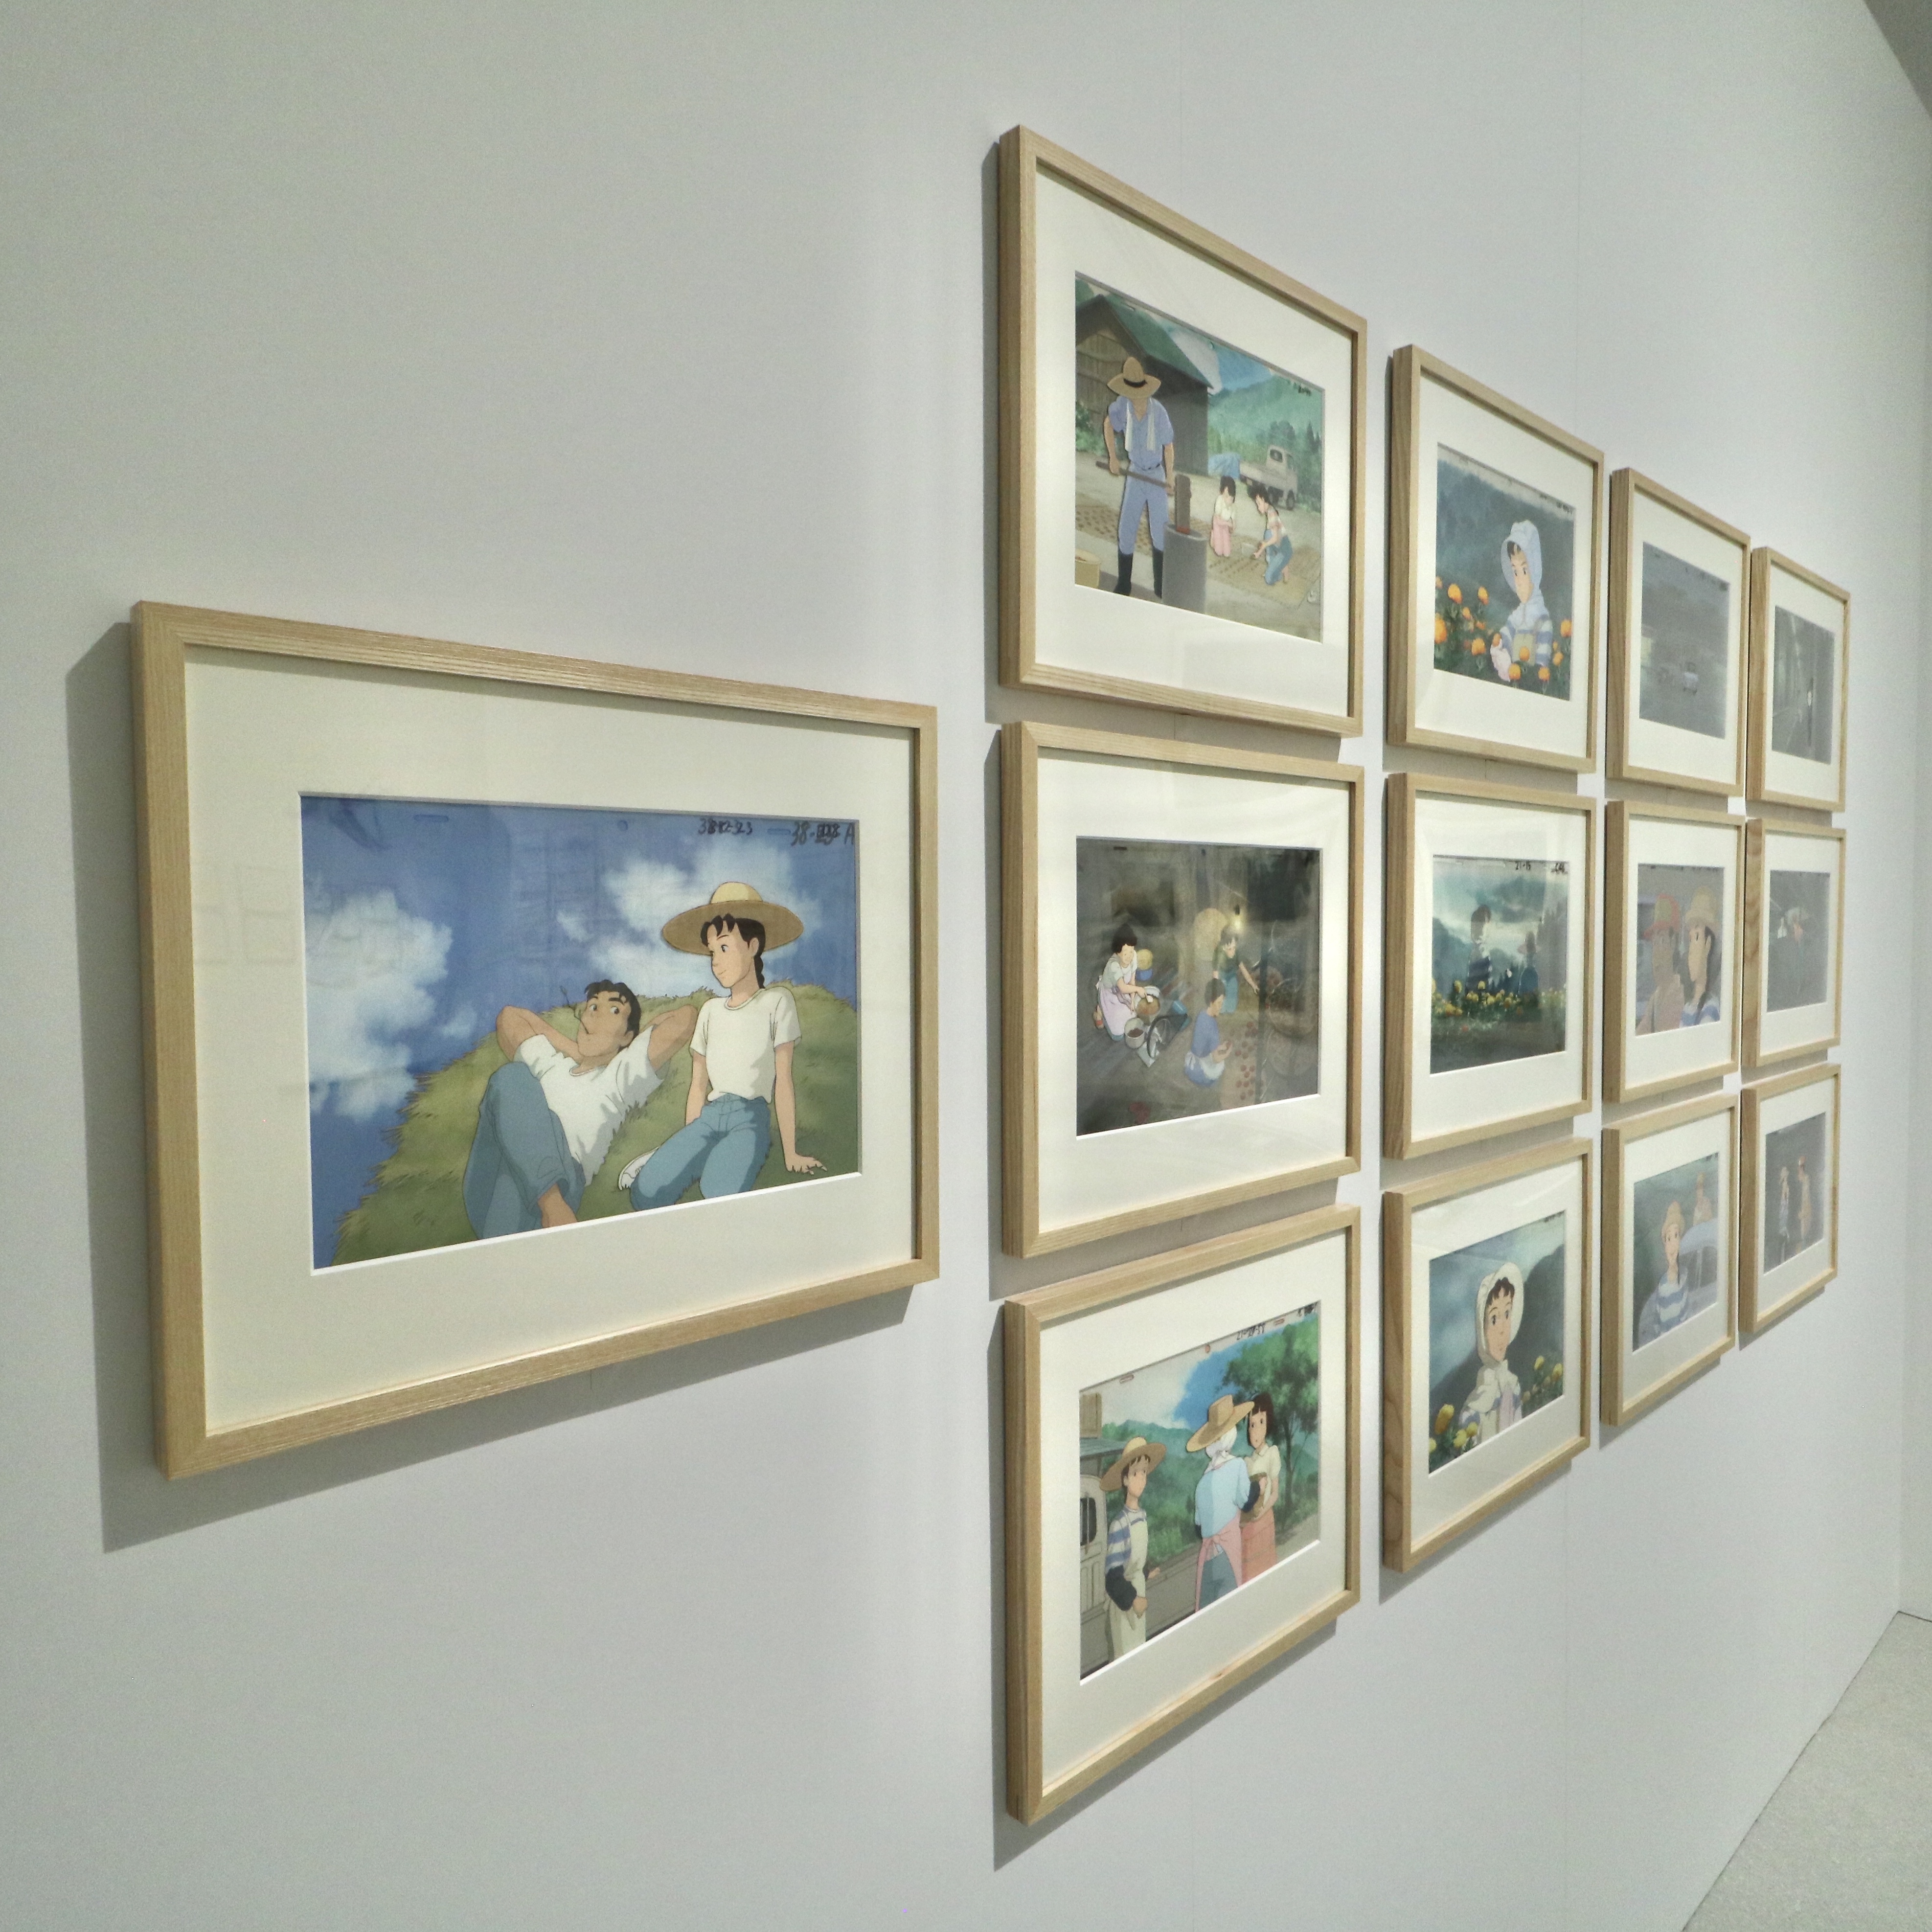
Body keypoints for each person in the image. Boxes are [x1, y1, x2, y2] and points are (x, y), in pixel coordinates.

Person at [618, 883, 823, 1209]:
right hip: (710, 1116)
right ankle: (668, 1156)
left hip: (749, 1118)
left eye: (725, 948)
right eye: (712, 952)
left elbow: (783, 1080)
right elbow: (699, 1084)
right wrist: (688, 1143)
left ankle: (696, 1157)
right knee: (647, 1193)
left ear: (752, 946)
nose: (716, 962)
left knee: (718, 1191)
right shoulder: (710, 1011)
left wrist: (791, 1153)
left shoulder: (776, 1002)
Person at [462, 981, 696, 1239]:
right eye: (593, 1007)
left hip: (560, 1181)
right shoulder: (551, 1064)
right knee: (513, 1076)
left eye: (614, 1010)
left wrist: (620, 1049)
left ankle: (552, 1204)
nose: (597, 1015)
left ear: (627, 1037)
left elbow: (685, 1019)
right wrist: (578, 1051)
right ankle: (551, 1209)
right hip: (496, 1178)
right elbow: (510, 1018)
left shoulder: (620, 1074)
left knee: (522, 1086)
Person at [1103, 357, 1174, 599]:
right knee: (1126, 529)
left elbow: (1168, 447)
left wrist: (1170, 477)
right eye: (1131, 395)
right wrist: (1113, 458)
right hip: (1134, 473)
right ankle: (1124, 584)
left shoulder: (1159, 412)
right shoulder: (1123, 406)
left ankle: (1161, 586)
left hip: (1155, 474)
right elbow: (1108, 425)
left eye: (1138, 395)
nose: (1135, 400)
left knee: (1160, 531)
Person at [1099, 1437, 1165, 1660]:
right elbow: (1113, 1577)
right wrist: (1134, 1599)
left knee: (1140, 1654)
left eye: (1144, 1472)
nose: (1141, 1479)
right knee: (1125, 1656)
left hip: (1139, 1595)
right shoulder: (1120, 1524)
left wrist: (1145, 1574)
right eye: (1136, 1473)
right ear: (1126, 1479)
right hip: (1124, 1605)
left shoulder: (1142, 1517)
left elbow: (1134, 1564)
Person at [1187, 1394, 1254, 1611]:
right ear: (1231, 1434)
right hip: (1227, 1555)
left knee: (1209, 1612)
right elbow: (1245, 1501)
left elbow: (1199, 1527)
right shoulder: (1238, 1466)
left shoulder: (1202, 1483)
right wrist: (1258, 1487)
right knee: (1231, 1610)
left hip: (1207, 1558)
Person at [1636, 1197, 1722, 1347]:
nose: (1673, 1244)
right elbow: (1669, 1332)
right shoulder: (1666, 1286)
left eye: (1676, 1236)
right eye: (1669, 1238)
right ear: (1664, 1243)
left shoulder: (1683, 1274)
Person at [1459, 1264, 1523, 1443]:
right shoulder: (1474, 1410)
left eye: (1507, 1314)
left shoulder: (1513, 1386)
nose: (1503, 1329)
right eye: (1494, 1319)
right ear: (1482, 1329)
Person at [1488, 519, 1556, 687]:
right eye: (1515, 572)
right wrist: (1498, 646)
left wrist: (1520, 673)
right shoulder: (1517, 617)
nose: (1519, 581)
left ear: (1535, 571)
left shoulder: (1543, 621)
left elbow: (1541, 670)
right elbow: (1505, 636)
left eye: (1524, 571)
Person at [1239, 1392, 1283, 1583]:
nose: (1255, 1431)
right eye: (1252, 1425)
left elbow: (1275, 1494)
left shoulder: (1272, 1453)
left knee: (1265, 1568)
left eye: (1261, 1423)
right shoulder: (1246, 1462)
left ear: (1269, 1423)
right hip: (1248, 1524)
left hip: (1264, 1521)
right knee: (1248, 1571)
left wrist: (1261, 1513)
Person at [1635, 894, 1685, 1034]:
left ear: (1674, 944)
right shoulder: (1656, 997)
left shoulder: (1678, 995)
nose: (1656, 953)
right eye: (1654, 943)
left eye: (1662, 941)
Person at [1680, 886, 1722, 1026]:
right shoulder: (1688, 1007)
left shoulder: (1711, 1008)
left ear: (1708, 944)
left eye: (1697, 937)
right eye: (1691, 940)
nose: (1691, 954)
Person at [1185, 979, 1233, 1087]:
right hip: (1201, 1068)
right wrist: (1228, 1053)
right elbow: (1216, 1059)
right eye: (1219, 1003)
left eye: (1222, 1003)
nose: (1221, 1007)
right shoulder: (1212, 1028)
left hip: (1196, 1056)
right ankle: (1204, 1080)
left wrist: (1221, 1047)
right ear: (1211, 1003)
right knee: (1221, 1066)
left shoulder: (1202, 1015)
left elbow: (1206, 1044)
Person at [1094, 930, 1141, 1041]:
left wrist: (1132, 1001)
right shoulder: (1113, 966)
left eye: (1131, 951)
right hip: (1111, 994)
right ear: (1118, 952)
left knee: (1133, 1018)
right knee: (1118, 1034)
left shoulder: (1134, 956)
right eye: (1125, 953)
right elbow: (1123, 988)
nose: (1129, 956)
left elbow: (1132, 981)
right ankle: (1099, 1012)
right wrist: (1139, 989)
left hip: (1123, 992)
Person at [1250, 482, 1293, 587]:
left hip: (1284, 550)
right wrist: (1259, 553)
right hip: (1278, 547)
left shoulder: (1272, 513)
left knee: (1269, 579)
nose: (1258, 507)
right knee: (1267, 534)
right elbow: (1268, 541)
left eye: (1259, 503)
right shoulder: (1269, 513)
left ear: (1264, 500)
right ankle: (1278, 570)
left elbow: (1275, 538)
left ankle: (1283, 567)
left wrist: (1264, 546)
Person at [1209, 472, 1238, 557]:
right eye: (1226, 496)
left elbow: (1234, 518)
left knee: (1227, 553)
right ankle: (1213, 536)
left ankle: (1223, 545)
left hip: (1225, 525)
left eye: (1231, 497)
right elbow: (1218, 518)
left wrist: (1233, 526)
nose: (1229, 499)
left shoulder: (1232, 505)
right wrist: (1228, 524)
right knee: (1219, 551)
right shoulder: (1220, 500)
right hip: (1218, 523)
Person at [1797, 1156, 1814, 1250]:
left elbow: (1807, 1200)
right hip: (1804, 1211)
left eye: (1801, 1168)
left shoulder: (1807, 1180)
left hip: (1807, 1211)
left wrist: (1805, 1213)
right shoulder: (1802, 1184)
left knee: (1805, 1233)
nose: (1799, 1171)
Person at [1776, 1165, 1791, 1264]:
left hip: (1784, 1213)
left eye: (1785, 1171)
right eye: (1783, 1171)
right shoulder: (1779, 1186)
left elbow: (1787, 1201)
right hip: (1781, 1214)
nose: (1784, 1173)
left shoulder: (1787, 1186)